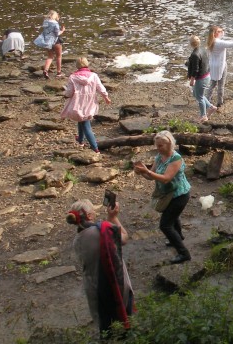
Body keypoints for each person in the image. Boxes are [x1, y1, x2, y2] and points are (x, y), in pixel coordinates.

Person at [67, 198, 133, 338]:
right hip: (115, 281)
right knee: (123, 319)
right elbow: (124, 238)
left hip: (93, 286)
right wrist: (113, 217)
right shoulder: (103, 229)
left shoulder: (77, 240)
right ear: (90, 215)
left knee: (105, 324)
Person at [133, 130, 192, 264]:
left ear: (169, 144)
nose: (158, 148)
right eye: (157, 145)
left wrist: (146, 171)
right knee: (172, 216)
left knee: (165, 225)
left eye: (161, 145)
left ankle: (184, 253)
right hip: (168, 194)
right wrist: (142, 172)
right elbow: (150, 176)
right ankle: (178, 237)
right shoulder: (159, 157)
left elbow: (166, 178)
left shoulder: (176, 158)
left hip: (180, 194)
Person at [61, 56, 111, 154]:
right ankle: (80, 139)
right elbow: (100, 88)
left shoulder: (73, 77)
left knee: (85, 123)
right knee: (82, 120)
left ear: (77, 66)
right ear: (87, 64)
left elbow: (69, 92)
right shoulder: (93, 76)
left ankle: (95, 148)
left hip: (78, 102)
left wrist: (65, 95)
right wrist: (106, 97)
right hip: (89, 102)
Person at [206, 25, 233, 108]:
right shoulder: (219, 43)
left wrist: (221, 31)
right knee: (221, 85)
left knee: (212, 84)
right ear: (215, 33)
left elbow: (223, 37)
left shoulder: (211, 41)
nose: (222, 32)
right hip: (221, 65)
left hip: (213, 65)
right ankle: (219, 102)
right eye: (220, 31)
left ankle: (207, 100)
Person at [185, 35, 213, 124]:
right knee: (196, 94)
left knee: (199, 97)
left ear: (191, 44)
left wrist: (192, 79)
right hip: (206, 75)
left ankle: (203, 116)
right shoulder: (203, 49)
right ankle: (211, 107)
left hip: (201, 78)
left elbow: (196, 69)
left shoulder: (195, 54)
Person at [34, 10, 65, 79]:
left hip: (47, 41)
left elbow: (45, 31)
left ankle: (45, 70)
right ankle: (59, 72)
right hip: (56, 41)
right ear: (55, 16)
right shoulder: (55, 23)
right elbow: (57, 34)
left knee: (50, 56)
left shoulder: (45, 22)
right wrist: (62, 31)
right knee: (59, 56)